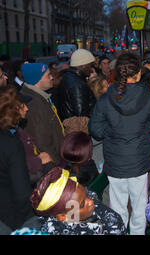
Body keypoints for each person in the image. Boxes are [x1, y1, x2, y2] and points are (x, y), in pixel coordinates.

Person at [88, 53, 150, 235]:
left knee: (118, 206)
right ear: (138, 73)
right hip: (139, 160)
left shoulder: (106, 98)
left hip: (115, 161)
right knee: (139, 206)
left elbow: (95, 130)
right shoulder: (149, 97)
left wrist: (113, 132)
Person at [29, 167, 126, 235]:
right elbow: (117, 227)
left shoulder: (60, 214)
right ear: (63, 217)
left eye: (86, 194)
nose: (91, 201)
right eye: (83, 204)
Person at [0, 86, 36, 230]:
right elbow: (22, 193)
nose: (26, 109)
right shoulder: (11, 143)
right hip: (11, 218)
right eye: (22, 106)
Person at [20, 63, 65, 165]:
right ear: (37, 80)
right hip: (52, 163)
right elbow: (42, 142)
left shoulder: (40, 97)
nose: (52, 77)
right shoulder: (34, 104)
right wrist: (57, 164)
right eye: (48, 75)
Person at [56, 48, 97, 122]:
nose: (91, 69)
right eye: (90, 65)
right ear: (83, 66)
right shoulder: (78, 85)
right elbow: (81, 115)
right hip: (78, 128)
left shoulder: (68, 77)